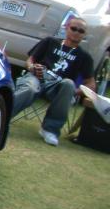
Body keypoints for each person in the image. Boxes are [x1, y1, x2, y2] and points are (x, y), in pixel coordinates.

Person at [12, 16, 96, 146]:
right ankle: (3, 115)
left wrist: (74, 92)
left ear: (84, 35)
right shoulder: (49, 42)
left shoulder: (85, 57)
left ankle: (50, 130)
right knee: (30, 88)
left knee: (68, 84)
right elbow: (30, 60)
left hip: (58, 87)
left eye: (81, 31)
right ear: (66, 28)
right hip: (37, 76)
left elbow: (91, 84)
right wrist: (32, 67)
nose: (76, 32)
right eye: (74, 28)